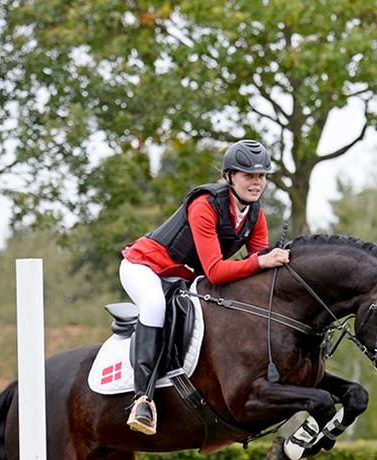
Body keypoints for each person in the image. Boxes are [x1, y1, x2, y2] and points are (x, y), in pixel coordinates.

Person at [119, 139, 291, 435]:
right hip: (146, 267)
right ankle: (143, 399)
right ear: (229, 177)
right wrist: (262, 263)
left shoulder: (254, 213)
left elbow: (256, 264)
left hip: (184, 279)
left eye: (261, 176)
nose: (256, 183)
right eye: (249, 175)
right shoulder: (205, 205)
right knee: (155, 306)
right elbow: (216, 270)